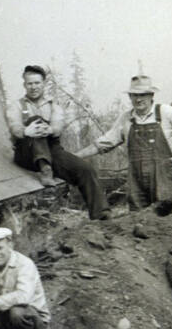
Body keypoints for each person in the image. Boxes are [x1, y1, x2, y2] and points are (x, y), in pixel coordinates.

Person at [88, 76, 172, 215]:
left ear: (151, 95)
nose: (138, 99)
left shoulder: (164, 112)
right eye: (134, 95)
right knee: (138, 220)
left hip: (163, 179)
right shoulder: (126, 118)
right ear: (130, 96)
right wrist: (72, 157)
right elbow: (104, 142)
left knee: (165, 218)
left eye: (142, 95)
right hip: (137, 182)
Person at [9, 65, 108, 220]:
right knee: (34, 120)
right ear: (24, 85)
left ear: (43, 84)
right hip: (26, 152)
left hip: (51, 149)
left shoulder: (53, 105)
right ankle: (45, 167)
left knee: (85, 169)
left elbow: (58, 126)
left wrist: (48, 130)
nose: (33, 87)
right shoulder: (16, 106)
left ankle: (101, 214)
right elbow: (14, 126)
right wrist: (26, 131)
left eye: (37, 83)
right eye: (30, 83)